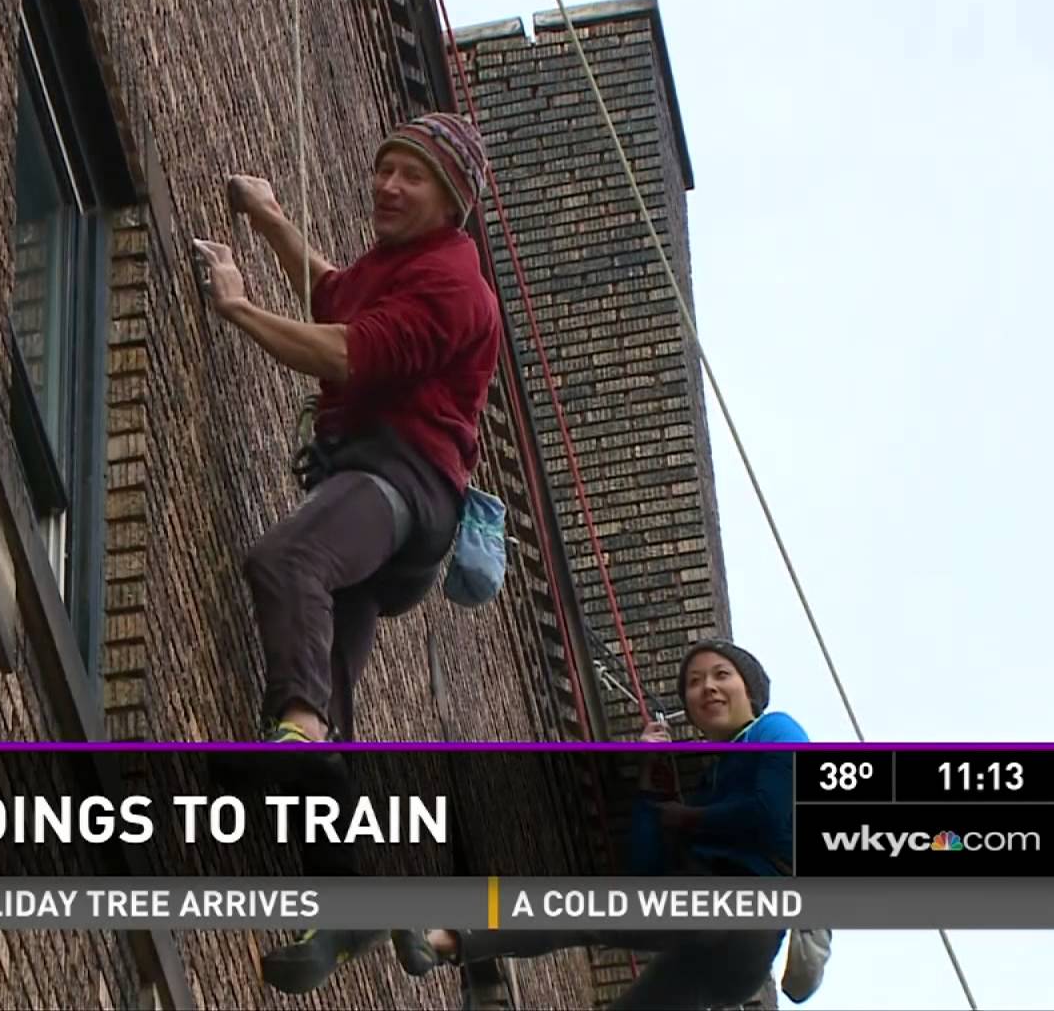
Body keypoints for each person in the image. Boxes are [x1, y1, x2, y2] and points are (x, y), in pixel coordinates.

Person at [191, 113, 499, 994]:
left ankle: (293, 735)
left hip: (405, 486)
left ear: (453, 199)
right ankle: (350, 897)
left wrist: (236, 305)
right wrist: (270, 217)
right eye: (383, 168)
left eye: (411, 177)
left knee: (286, 563)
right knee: (323, 698)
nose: (386, 187)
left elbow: (341, 350)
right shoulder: (393, 266)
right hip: (373, 496)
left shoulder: (453, 286)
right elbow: (334, 294)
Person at [387, 639, 810, 1009]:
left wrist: (688, 818)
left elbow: (771, 814)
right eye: (695, 682)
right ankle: (439, 944)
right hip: (714, 943)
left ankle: (441, 940)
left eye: (721, 675)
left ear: (751, 691)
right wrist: (647, 789)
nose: (708, 687)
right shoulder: (706, 781)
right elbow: (642, 877)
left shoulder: (775, 729)